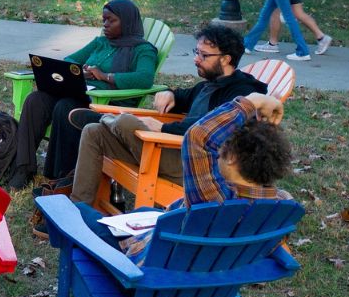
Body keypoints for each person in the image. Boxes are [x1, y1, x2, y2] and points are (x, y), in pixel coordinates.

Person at [68, 94, 292, 258]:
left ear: (232, 157)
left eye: (223, 149)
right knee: (146, 213)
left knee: (72, 211)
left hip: (147, 276)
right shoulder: (280, 205)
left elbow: (197, 137)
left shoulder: (212, 198)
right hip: (208, 280)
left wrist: (253, 101)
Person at [66, 25, 267, 208]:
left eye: (204, 55)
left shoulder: (240, 92)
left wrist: (162, 128)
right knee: (93, 133)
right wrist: (169, 93)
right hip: (170, 150)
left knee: (126, 122)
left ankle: (106, 118)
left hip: (196, 163)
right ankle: (78, 208)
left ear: (225, 59)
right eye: (197, 52)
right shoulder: (209, 84)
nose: (196, 59)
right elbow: (182, 96)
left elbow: (206, 128)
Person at [13, 0, 159, 188]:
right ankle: (23, 169)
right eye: (104, 20)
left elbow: (145, 78)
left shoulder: (143, 50)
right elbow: (69, 60)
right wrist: (80, 71)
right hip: (81, 94)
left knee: (65, 107)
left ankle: (62, 176)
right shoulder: (101, 42)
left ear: (127, 21)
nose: (105, 25)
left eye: (111, 20)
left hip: (108, 104)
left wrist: (106, 76)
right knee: (36, 100)